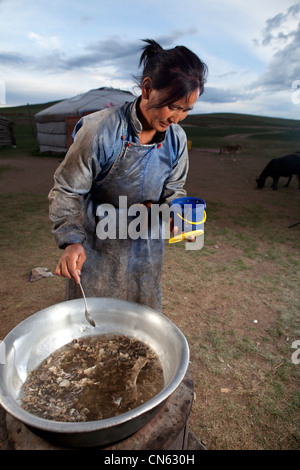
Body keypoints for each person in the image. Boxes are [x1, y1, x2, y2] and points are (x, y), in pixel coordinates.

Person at [48, 39, 207, 311]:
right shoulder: (100, 130)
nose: (177, 119)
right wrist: (72, 241)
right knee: (95, 320)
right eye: (173, 106)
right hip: (99, 245)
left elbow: (174, 189)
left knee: (140, 321)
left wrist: (177, 217)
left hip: (146, 247)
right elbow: (67, 189)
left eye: (186, 110)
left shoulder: (177, 139)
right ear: (147, 89)